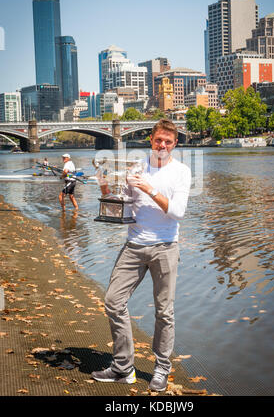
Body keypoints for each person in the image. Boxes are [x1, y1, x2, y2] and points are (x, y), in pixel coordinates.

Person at [91, 119, 191, 392]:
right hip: (134, 245)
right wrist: (103, 187)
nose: (162, 145)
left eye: (168, 142)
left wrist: (150, 188)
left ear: (175, 144)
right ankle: (123, 368)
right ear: (151, 140)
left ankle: (161, 369)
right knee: (113, 301)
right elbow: (121, 206)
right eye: (159, 140)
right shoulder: (136, 168)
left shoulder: (181, 172)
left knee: (164, 312)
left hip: (166, 247)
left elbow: (178, 211)